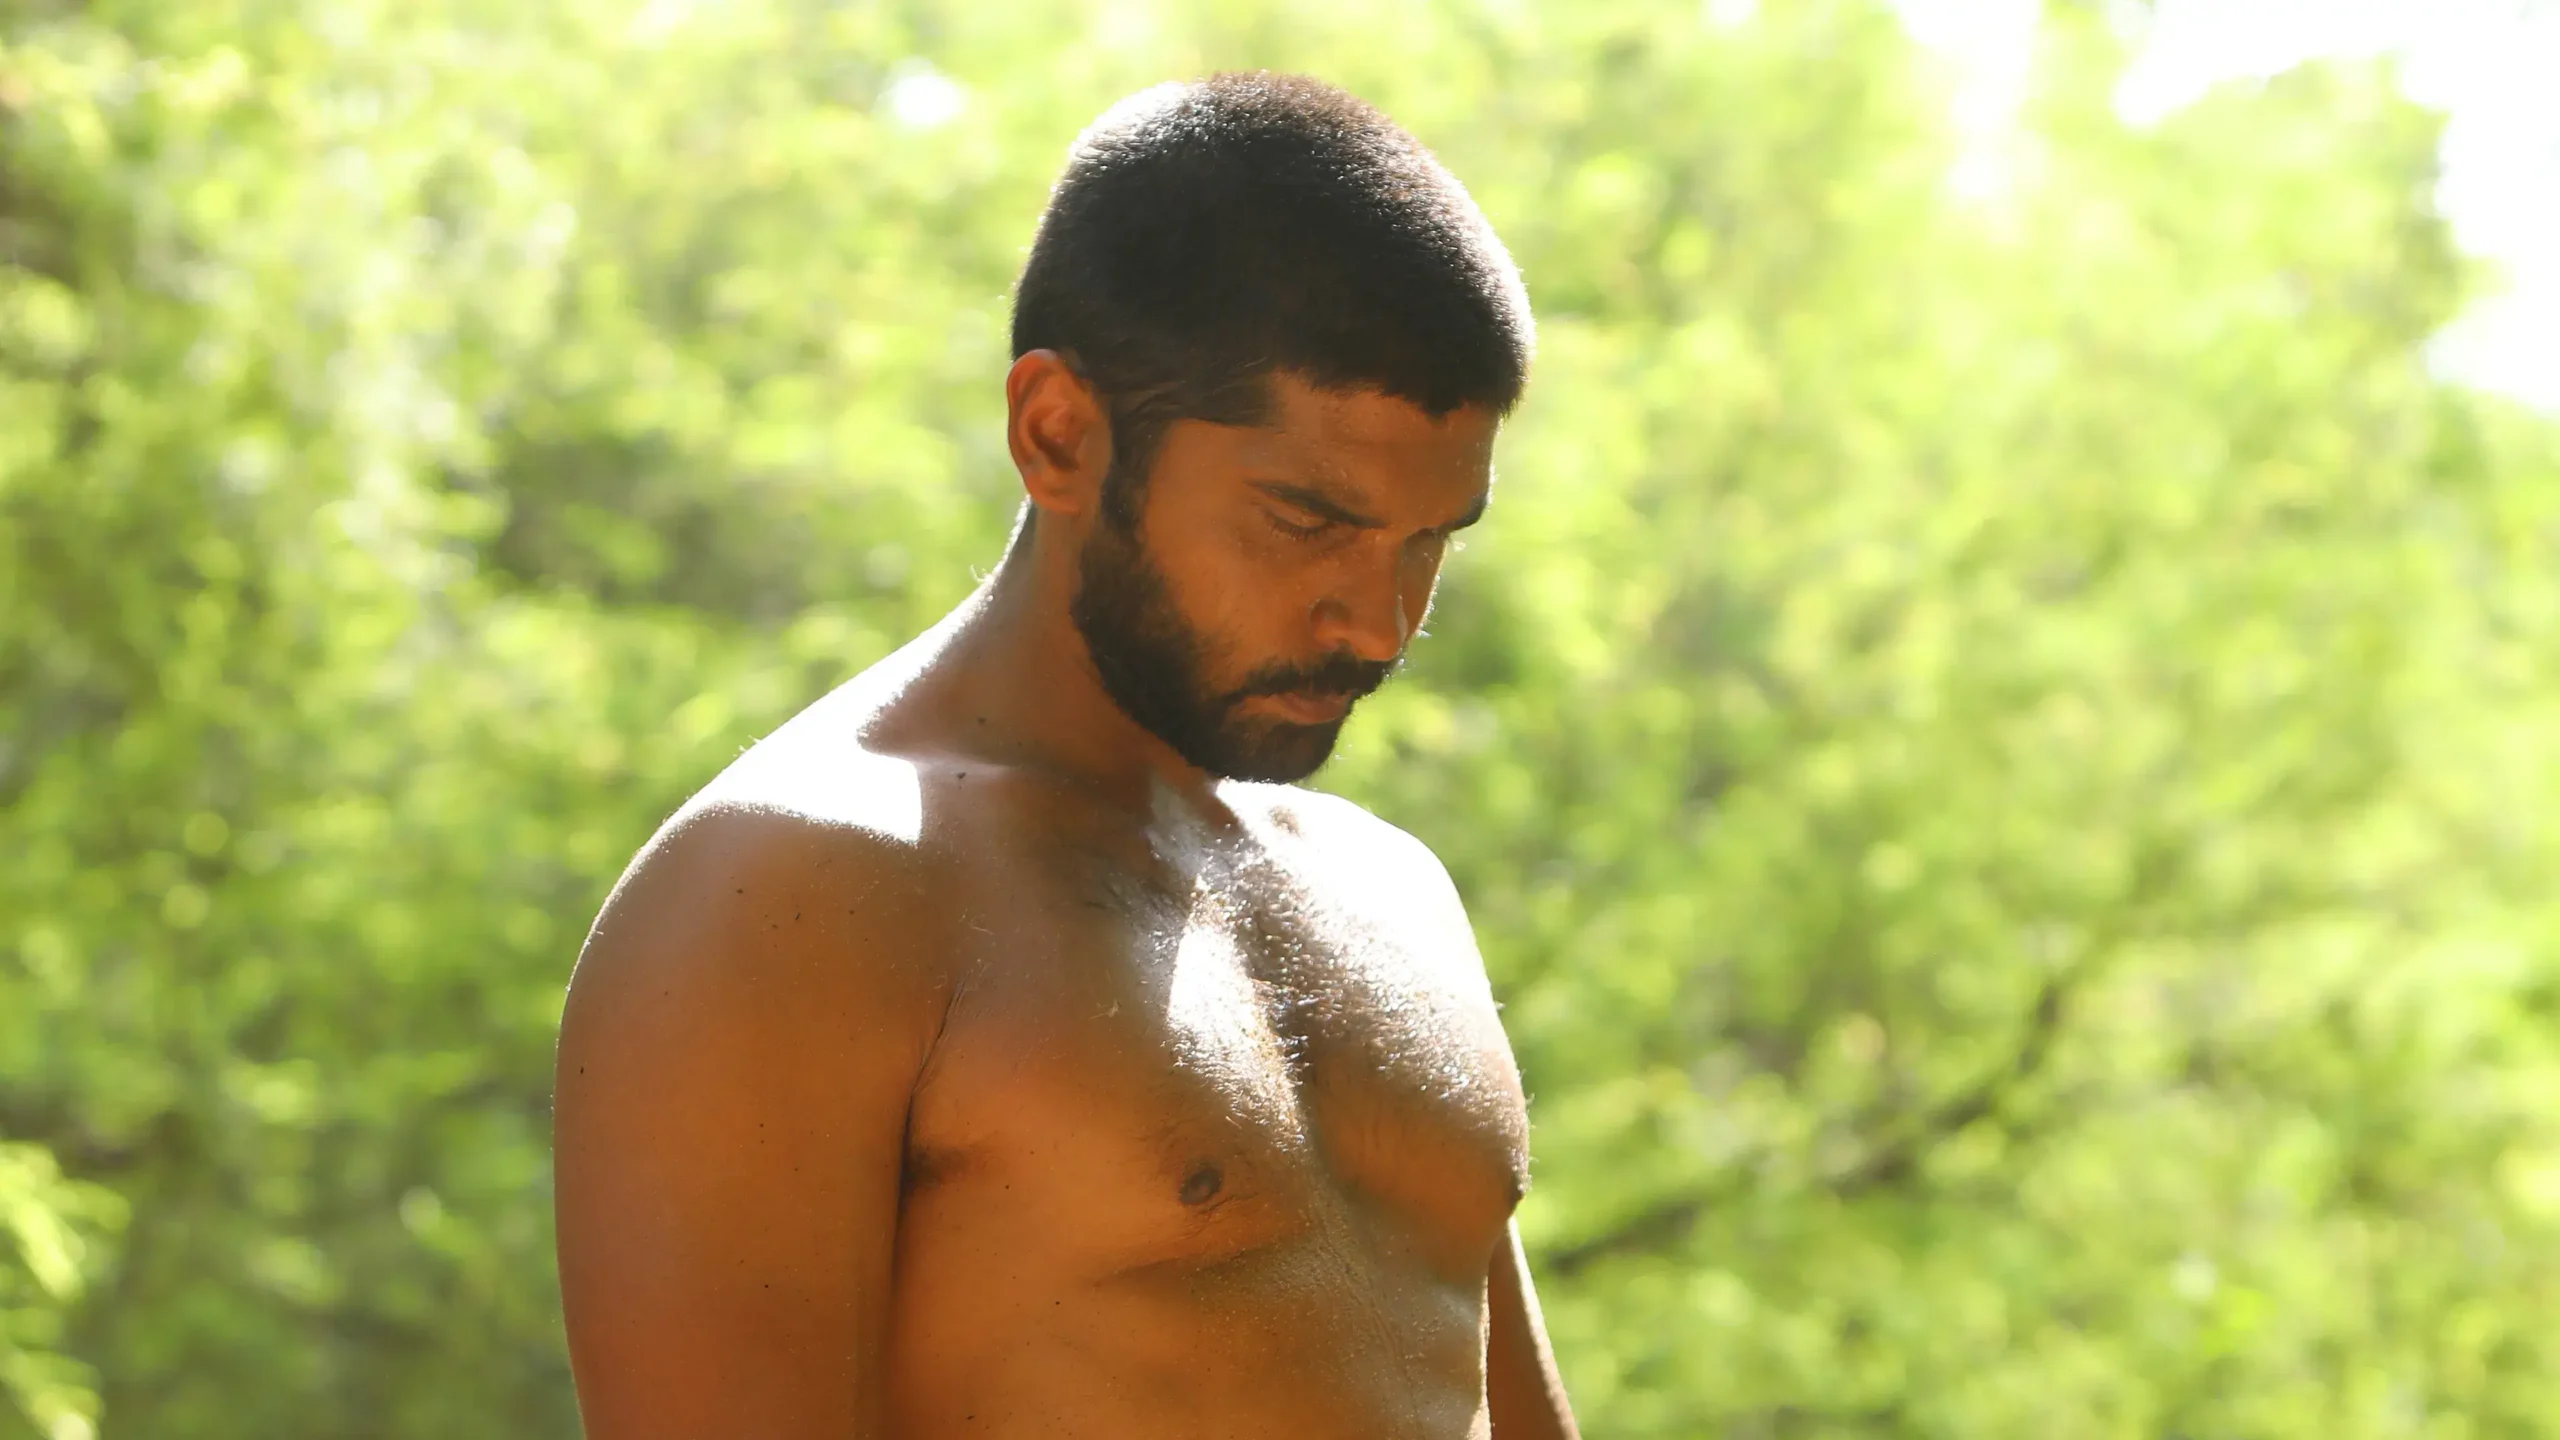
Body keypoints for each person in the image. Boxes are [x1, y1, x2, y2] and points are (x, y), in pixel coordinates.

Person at [553, 70, 1579, 1439]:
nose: (1378, 623)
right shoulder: (793, 901)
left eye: (1429, 540)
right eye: (1308, 521)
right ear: (1058, 434)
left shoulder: (1393, 893)